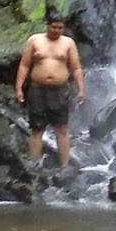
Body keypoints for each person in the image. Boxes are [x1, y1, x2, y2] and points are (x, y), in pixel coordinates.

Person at [14, 15, 86, 168]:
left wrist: (81, 89)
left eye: (60, 28)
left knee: (61, 128)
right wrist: (19, 88)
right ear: (47, 25)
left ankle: (64, 166)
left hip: (59, 91)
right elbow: (24, 65)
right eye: (54, 27)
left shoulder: (68, 43)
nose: (57, 31)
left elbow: (76, 67)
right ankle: (33, 165)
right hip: (37, 90)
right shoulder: (34, 40)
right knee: (37, 128)